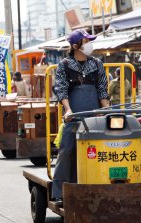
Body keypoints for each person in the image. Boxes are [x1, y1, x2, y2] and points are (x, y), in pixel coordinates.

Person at [51, 29, 110, 204]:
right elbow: (61, 89)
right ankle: (60, 192)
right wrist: (67, 110)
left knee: (97, 150)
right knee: (67, 149)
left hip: (94, 115)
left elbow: (102, 89)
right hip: (74, 114)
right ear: (76, 46)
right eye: (86, 41)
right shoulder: (65, 64)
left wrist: (105, 108)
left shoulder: (97, 63)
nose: (90, 44)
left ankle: (99, 185)